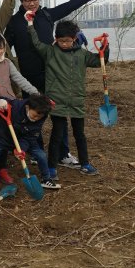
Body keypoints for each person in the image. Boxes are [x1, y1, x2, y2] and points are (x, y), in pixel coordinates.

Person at [4, 0, 111, 168]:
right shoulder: (14, 22)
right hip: (29, 78)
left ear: (39, 0)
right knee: (32, 116)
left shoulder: (46, 15)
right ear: (21, 1)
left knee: (58, 116)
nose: (32, 3)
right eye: (27, 0)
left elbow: (71, 5)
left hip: (54, 76)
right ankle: (35, 151)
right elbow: (4, 47)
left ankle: (63, 153)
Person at [25, 14, 108, 178]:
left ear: (74, 38)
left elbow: (100, 61)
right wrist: (30, 24)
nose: (64, 44)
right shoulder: (50, 52)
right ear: (56, 39)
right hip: (56, 101)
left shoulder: (82, 54)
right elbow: (35, 42)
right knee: (57, 134)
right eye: (61, 40)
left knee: (80, 134)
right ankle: (51, 167)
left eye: (68, 41)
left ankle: (85, 163)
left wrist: (106, 46)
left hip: (76, 99)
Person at [0, 32, 39, 188]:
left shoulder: (8, 63)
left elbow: (19, 79)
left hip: (7, 108)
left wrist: (36, 93)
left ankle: (2, 168)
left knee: (5, 140)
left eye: (1, 48)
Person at [0, 95, 59, 191]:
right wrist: (1, 101)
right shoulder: (17, 106)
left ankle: (46, 179)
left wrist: (21, 149)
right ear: (28, 107)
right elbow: (5, 100)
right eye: (35, 115)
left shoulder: (41, 117)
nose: (36, 118)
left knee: (41, 155)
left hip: (25, 139)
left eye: (39, 117)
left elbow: (30, 137)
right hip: (4, 137)